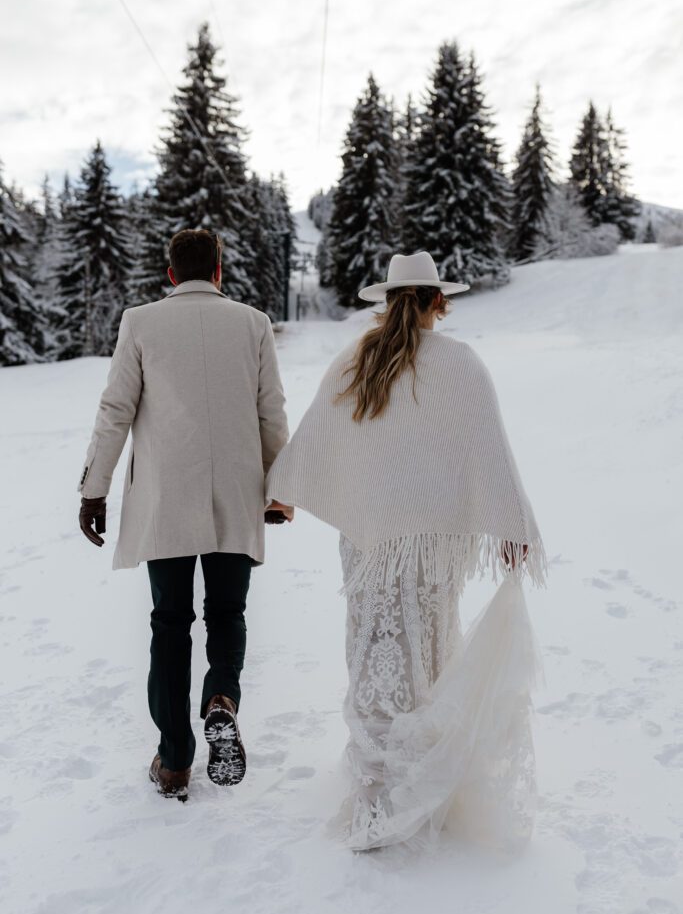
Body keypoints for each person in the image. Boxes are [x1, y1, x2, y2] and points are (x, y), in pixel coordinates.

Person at [265, 250, 547, 853]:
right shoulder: (462, 364)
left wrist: (282, 490)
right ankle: (417, 778)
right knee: (426, 646)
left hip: (371, 541)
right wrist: (514, 523)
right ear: (437, 301)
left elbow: (315, 437)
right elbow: (490, 451)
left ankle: (377, 785)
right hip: (430, 545)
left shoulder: (355, 361)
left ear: (391, 300)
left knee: (372, 648)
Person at [77, 229, 289, 801]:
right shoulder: (253, 323)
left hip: (167, 498)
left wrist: (94, 490)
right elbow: (271, 412)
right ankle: (221, 697)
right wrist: (280, 489)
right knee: (227, 612)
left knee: (170, 623)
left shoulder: (141, 322)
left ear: (170, 274)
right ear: (219, 270)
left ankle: (174, 762)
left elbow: (116, 409)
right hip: (237, 493)